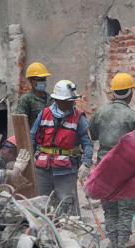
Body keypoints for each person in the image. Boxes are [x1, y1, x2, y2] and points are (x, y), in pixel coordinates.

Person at [89, 73, 135, 248]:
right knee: (126, 209)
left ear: (114, 93)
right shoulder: (132, 117)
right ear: (129, 93)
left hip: (104, 166)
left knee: (110, 208)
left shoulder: (100, 112)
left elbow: (93, 134)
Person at [31, 80, 93, 216]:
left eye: (73, 100)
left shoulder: (79, 118)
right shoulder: (44, 114)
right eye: (68, 100)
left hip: (66, 171)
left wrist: (86, 164)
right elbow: (32, 138)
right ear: (57, 100)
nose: (72, 103)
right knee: (43, 206)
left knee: (68, 206)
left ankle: (71, 234)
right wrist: (27, 160)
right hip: (43, 169)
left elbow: (87, 143)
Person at [16, 62, 53, 127]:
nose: (42, 82)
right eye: (39, 79)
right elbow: (21, 124)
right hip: (34, 136)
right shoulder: (26, 99)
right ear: (30, 80)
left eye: (44, 79)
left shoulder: (51, 99)